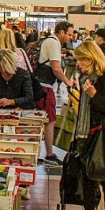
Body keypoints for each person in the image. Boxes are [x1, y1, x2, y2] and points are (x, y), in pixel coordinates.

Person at [73, 40, 105, 210]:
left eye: (81, 60)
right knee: (88, 180)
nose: (78, 65)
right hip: (85, 134)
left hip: (103, 137)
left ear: (91, 59)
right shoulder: (84, 79)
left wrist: (93, 95)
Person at [37, 21, 75, 165]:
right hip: (45, 87)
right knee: (49, 120)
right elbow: (56, 68)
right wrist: (67, 81)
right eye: (69, 34)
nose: (70, 37)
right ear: (61, 32)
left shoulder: (49, 41)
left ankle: (43, 152)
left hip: (42, 85)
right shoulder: (54, 43)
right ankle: (49, 153)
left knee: (43, 119)